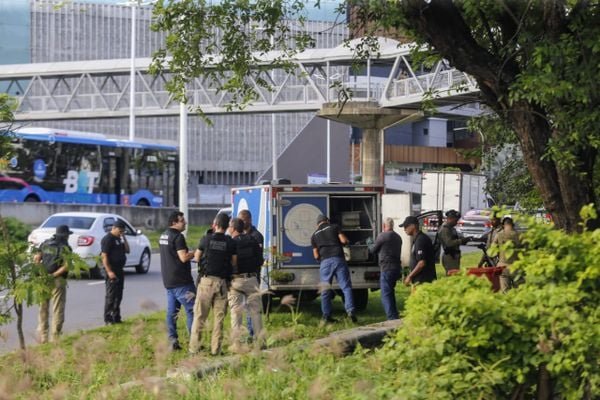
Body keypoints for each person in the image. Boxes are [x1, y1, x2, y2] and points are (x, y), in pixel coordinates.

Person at [189, 212, 237, 355]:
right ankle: (216, 350)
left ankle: (194, 349)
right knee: (219, 319)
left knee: (199, 316)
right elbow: (234, 264)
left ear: (215, 225)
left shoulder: (206, 239)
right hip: (222, 283)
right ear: (228, 226)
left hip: (206, 282)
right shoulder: (230, 242)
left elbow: (197, 258)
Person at [159, 211, 196, 351]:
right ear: (174, 222)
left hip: (169, 281)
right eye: (182, 220)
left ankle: (172, 341)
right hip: (182, 282)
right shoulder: (178, 237)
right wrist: (197, 252)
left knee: (172, 312)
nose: (185, 222)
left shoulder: (164, 235)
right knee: (192, 310)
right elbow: (183, 257)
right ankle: (194, 342)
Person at [311, 214, 356, 323]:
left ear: (317, 224)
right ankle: (350, 312)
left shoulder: (314, 236)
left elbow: (316, 256)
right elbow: (344, 241)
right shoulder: (334, 227)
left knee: (325, 290)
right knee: (345, 287)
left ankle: (326, 316)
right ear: (327, 220)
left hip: (325, 262)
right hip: (338, 259)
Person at [227, 217, 265, 350]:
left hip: (235, 280)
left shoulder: (231, 243)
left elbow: (228, 262)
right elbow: (260, 260)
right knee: (255, 311)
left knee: (236, 312)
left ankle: (237, 344)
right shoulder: (253, 240)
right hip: (252, 279)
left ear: (233, 228)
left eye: (229, 227)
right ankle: (260, 341)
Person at [35, 224, 72, 343]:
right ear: (66, 235)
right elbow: (66, 266)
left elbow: (36, 259)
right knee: (57, 308)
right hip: (57, 280)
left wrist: (42, 274)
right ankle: (55, 337)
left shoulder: (45, 243)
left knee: (43, 308)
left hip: (43, 279)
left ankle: (43, 336)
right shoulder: (66, 248)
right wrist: (53, 275)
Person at [237, 209, 264, 336]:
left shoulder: (256, 236)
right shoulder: (239, 236)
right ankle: (249, 332)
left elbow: (258, 259)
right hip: (240, 278)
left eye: (243, 220)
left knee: (251, 307)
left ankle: (252, 333)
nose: (241, 222)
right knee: (243, 307)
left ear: (249, 220)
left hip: (253, 276)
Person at [370, 217, 402, 320]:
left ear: (384, 226)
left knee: (386, 294)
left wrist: (369, 244)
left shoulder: (382, 236)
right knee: (390, 292)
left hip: (386, 268)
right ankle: (394, 314)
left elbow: (373, 250)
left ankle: (392, 318)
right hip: (396, 268)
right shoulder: (398, 237)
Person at [101, 220, 129, 325]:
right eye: (120, 230)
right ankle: (108, 318)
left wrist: (124, 237)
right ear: (114, 228)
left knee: (119, 295)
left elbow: (127, 250)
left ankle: (116, 316)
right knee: (111, 296)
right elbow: (104, 256)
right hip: (112, 270)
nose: (121, 233)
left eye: (123, 231)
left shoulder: (119, 238)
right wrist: (109, 271)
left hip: (120, 270)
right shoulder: (108, 239)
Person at [402, 216, 437, 286]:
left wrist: (409, 276)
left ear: (413, 226)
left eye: (406, 226)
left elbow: (421, 263)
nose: (404, 229)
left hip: (424, 281)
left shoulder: (420, 240)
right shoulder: (417, 239)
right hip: (419, 280)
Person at [493, 216, 521, 292]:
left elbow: (492, 250)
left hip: (503, 267)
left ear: (503, 225)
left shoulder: (499, 235)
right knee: (519, 291)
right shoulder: (519, 235)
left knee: (505, 291)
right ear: (513, 224)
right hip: (517, 266)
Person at [439, 210, 471, 274]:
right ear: (450, 219)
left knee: (455, 274)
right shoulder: (445, 229)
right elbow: (449, 243)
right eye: (455, 220)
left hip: (454, 256)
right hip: (450, 256)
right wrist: (461, 241)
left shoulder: (452, 228)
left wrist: (463, 240)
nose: (456, 222)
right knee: (452, 275)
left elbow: (454, 239)